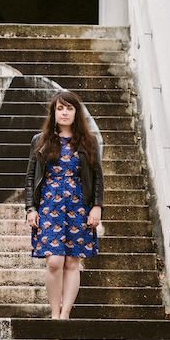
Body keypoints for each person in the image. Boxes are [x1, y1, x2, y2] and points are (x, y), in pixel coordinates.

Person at [24, 89, 103, 319]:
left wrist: (97, 206)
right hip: (49, 205)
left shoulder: (89, 142)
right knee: (54, 261)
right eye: (60, 108)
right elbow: (30, 178)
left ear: (76, 112)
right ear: (54, 113)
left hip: (78, 205)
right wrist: (31, 208)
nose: (65, 112)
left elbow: (97, 176)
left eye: (69, 108)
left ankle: (65, 315)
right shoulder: (40, 141)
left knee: (72, 261)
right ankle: (54, 312)